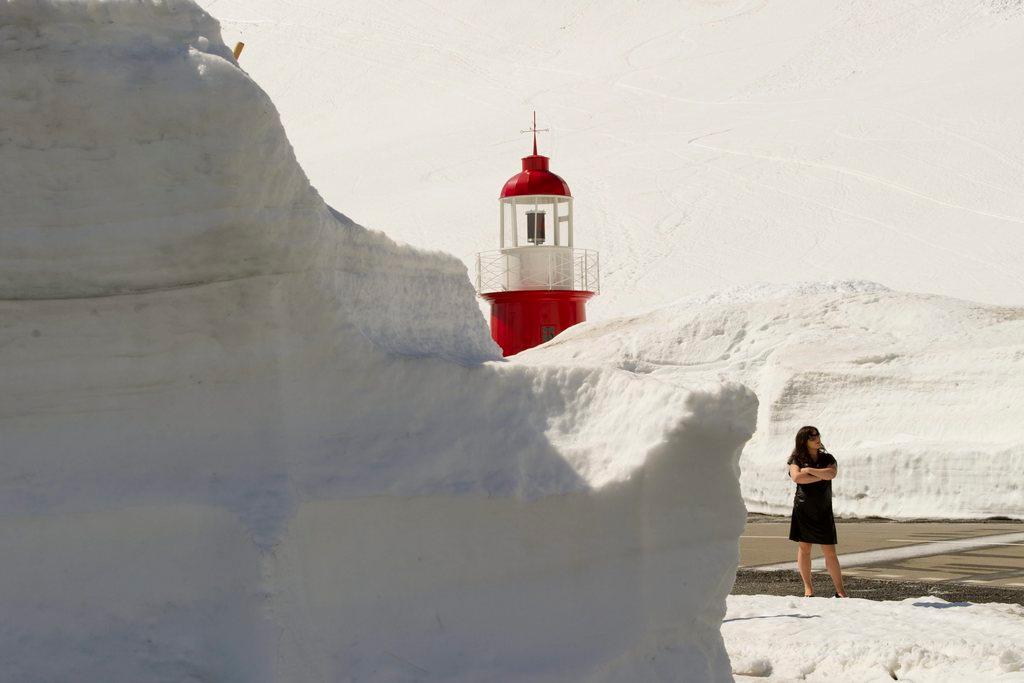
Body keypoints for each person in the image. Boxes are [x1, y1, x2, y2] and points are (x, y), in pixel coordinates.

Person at [787, 425, 846, 597]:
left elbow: (832, 473)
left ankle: (840, 591)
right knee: (804, 548)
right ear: (804, 441)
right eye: (812, 437)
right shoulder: (796, 459)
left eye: (817, 435)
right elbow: (797, 477)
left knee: (830, 551)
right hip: (803, 508)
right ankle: (808, 589)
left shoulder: (827, 457)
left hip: (823, 509)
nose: (817, 439)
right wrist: (820, 475)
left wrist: (810, 471)